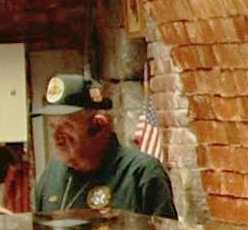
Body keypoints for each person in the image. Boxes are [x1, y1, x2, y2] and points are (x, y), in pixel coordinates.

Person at [31, 73, 176, 218]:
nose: (57, 137)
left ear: (99, 127)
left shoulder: (141, 174)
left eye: (67, 126)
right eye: (52, 126)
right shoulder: (51, 175)